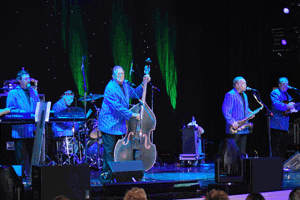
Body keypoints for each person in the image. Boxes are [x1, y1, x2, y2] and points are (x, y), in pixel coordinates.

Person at [98, 65, 150, 183]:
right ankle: (107, 175)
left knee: (118, 150)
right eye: (118, 74)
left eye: (122, 74)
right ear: (113, 76)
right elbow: (118, 108)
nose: (121, 76)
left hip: (119, 124)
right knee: (109, 150)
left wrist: (143, 83)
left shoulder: (125, 85)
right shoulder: (110, 88)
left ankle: (118, 173)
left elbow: (135, 93)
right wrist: (132, 115)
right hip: (109, 124)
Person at [6, 69, 40, 177]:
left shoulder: (34, 92)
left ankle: (33, 179)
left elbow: (38, 106)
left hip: (32, 130)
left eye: (29, 78)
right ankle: (19, 181)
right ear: (19, 80)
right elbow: (9, 109)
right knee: (20, 158)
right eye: (25, 79)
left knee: (33, 157)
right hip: (20, 130)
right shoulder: (13, 93)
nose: (28, 81)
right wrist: (24, 113)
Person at [221, 76, 253, 174]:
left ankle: (240, 170)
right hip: (235, 128)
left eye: (245, 83)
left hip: (243, 128)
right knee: (232, 151)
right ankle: (230, 170)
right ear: (236, 85)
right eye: (243, 83)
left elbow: (245, 108)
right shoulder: (230, 94)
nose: (245, 85)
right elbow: (226, 110)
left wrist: (250, 112)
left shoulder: (245, 95)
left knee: (242, 151)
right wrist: (232, 122)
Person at [270, 77, 296, 159]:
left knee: (283, 147)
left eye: (287, 84)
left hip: (285, 125)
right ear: (279, 84)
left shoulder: (287, 94)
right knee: (276, 147)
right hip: (276, 124)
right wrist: (287, 106)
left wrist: (295, 108)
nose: (285, 86)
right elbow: (277, 104)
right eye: (283, 84)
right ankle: (275, 166)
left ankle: (282, 165)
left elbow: (291, 107)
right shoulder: (275, 92)